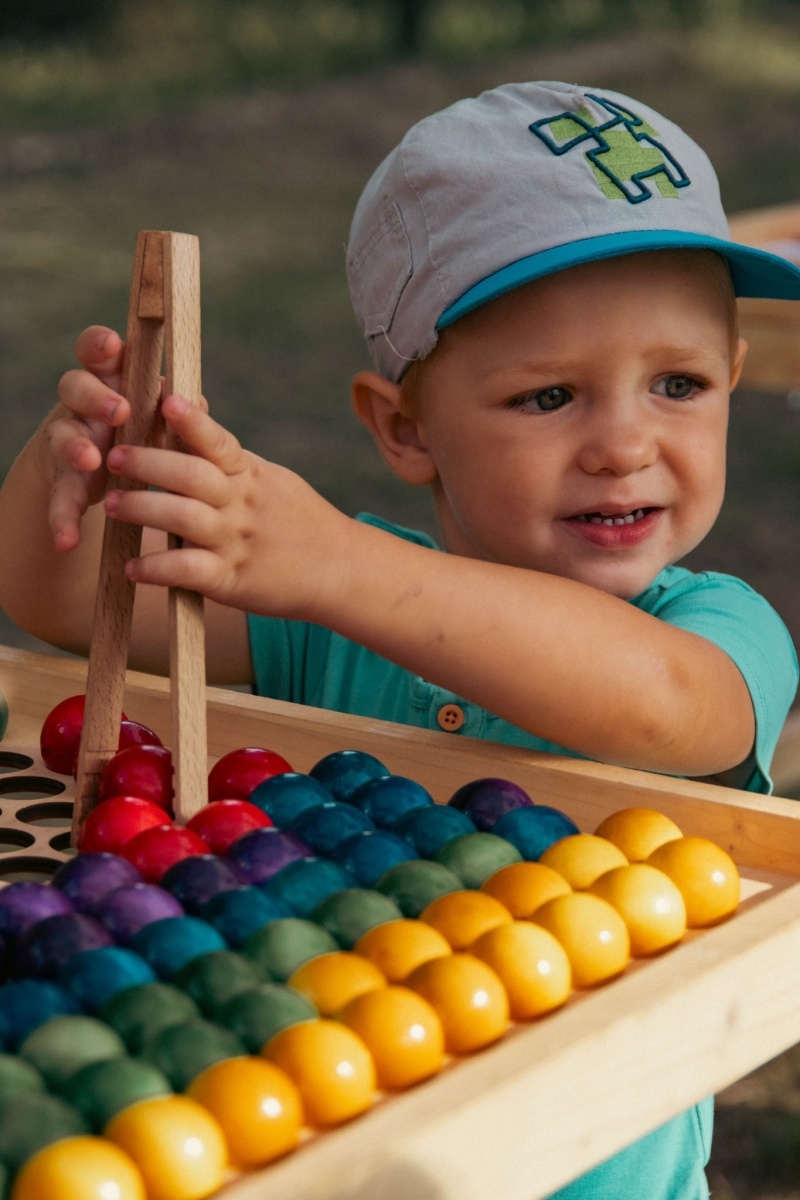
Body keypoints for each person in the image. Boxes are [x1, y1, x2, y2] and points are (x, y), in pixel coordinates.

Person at [0, 80, 798, 1196]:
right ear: (403, 427)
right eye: (548, 396)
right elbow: (75, 606)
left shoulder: (712, 626)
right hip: (318, 1124)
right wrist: (68, 475)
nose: (623, 444)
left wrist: (333, 566)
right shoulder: (328, 604)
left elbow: (667, 707)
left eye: (678, 384)